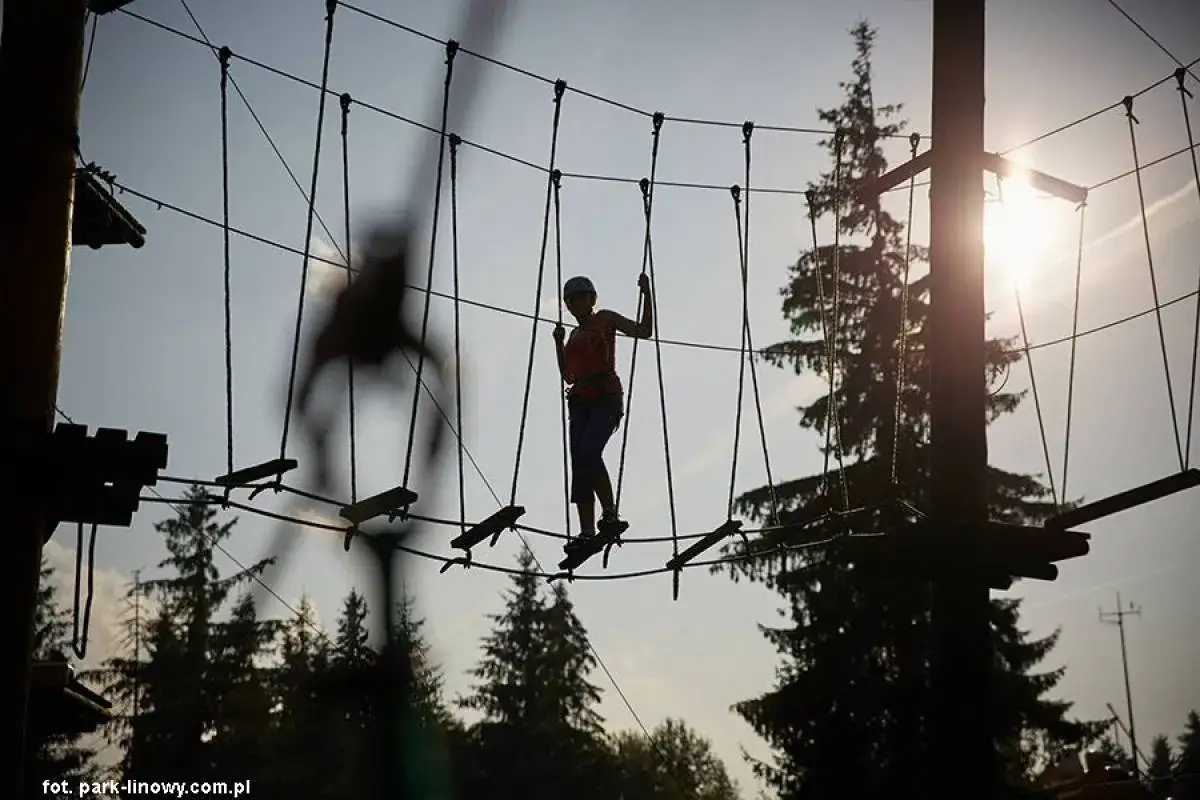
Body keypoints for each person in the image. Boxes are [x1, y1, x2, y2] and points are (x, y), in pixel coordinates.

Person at [553, 274, 654, 545]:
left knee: (588, 452)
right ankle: (586, 531)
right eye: (571, 300)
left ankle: (609, 513)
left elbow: (644, 331)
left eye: (580, 297)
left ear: (591, 299)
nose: (575, 303)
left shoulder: (605, 319)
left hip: (606, 397)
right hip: (580, 402)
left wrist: (647, 294)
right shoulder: (573, 336)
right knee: (580, 465)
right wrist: (557, 344)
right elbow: (569, 376)